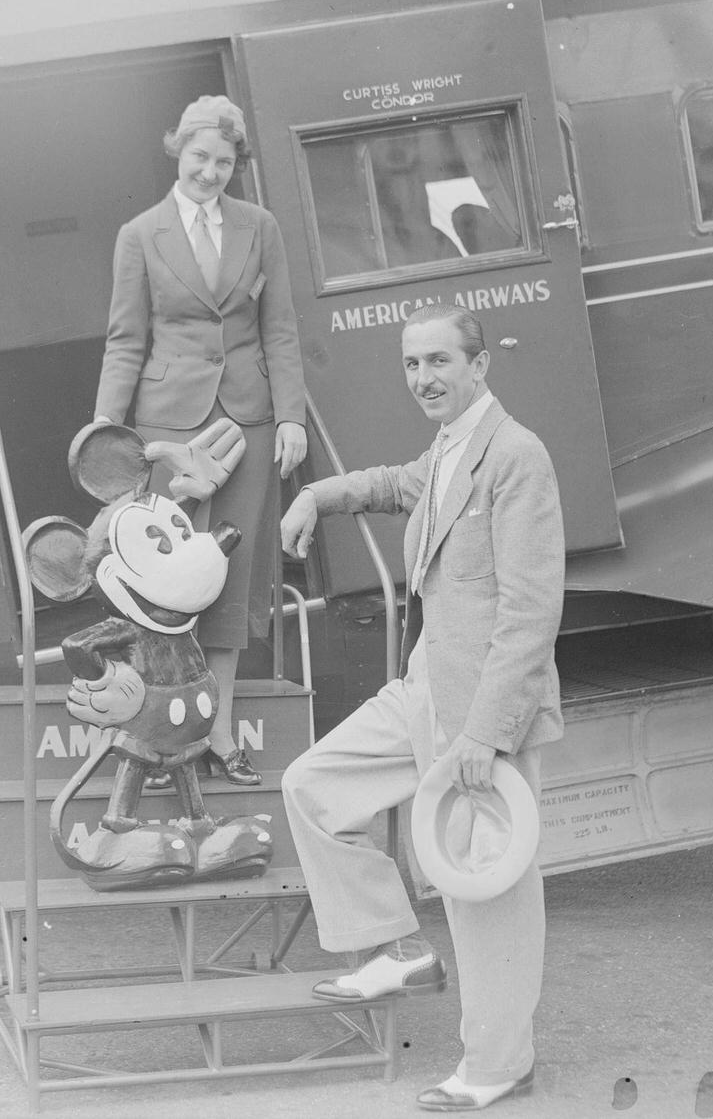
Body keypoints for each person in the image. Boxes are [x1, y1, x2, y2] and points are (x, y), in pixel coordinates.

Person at [279, 303, 564, 1111]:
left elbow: (532, 610)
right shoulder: (449, 449)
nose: (424, 379)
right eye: (412, 365)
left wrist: (486, 733)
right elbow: (396, 485)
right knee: (313, 786)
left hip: (481, 711)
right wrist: (319, 497)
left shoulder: (515, 455)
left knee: (487, 894)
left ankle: (498, 1064)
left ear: (480, 366)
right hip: (424, 689)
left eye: (440, 362)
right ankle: (397, 947)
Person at [94, 94, 307, 786]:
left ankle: (217, 730)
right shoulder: (139, 234)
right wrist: (107, 436)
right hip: (166, 429)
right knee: (165, 588)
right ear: (176, 152)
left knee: (230, 580)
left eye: (224, 161)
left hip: (244, 424)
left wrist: (290, 417)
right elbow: (126, 340)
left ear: (236, 163)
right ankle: (160, 735)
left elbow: (279, 329)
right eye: (199, 158)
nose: (211, 172)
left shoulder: (260, 226)